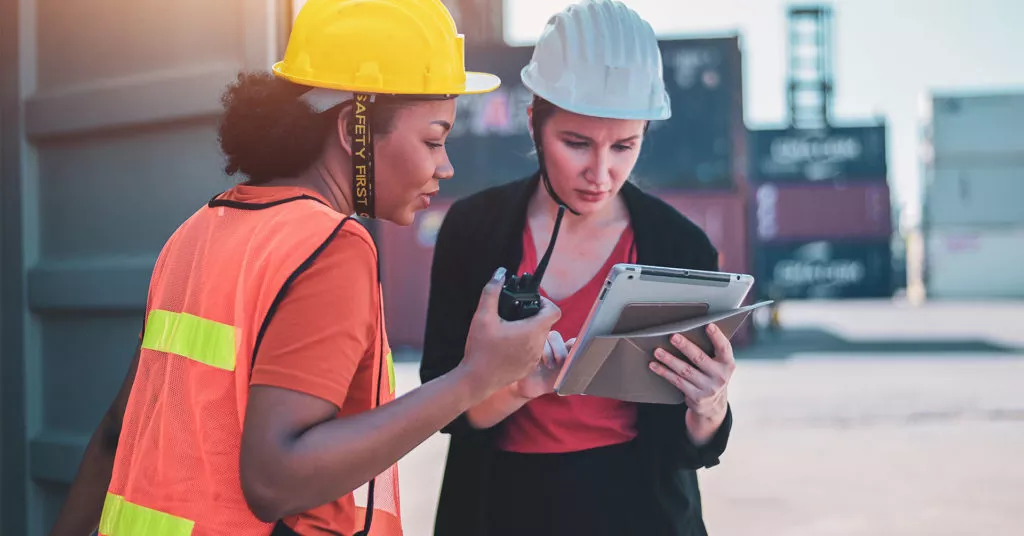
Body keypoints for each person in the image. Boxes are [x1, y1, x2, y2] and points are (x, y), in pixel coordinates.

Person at [47, 1, 563, 535]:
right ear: (352, 130)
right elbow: (275, 481)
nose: (445, 165)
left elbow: (117, 430)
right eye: (433, 139)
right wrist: (477, 377)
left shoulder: (196, 231)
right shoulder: (333, 246)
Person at [419, 1, 738, 535]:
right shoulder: (472, 231)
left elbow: (689, 447)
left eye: (624, 146)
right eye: (576, 144)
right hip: (501, 506)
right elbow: (445, 408)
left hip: (641, 510)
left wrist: (711, 404)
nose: (601, 172)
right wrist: (518, 386)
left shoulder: (681, 247)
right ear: (533, 123)